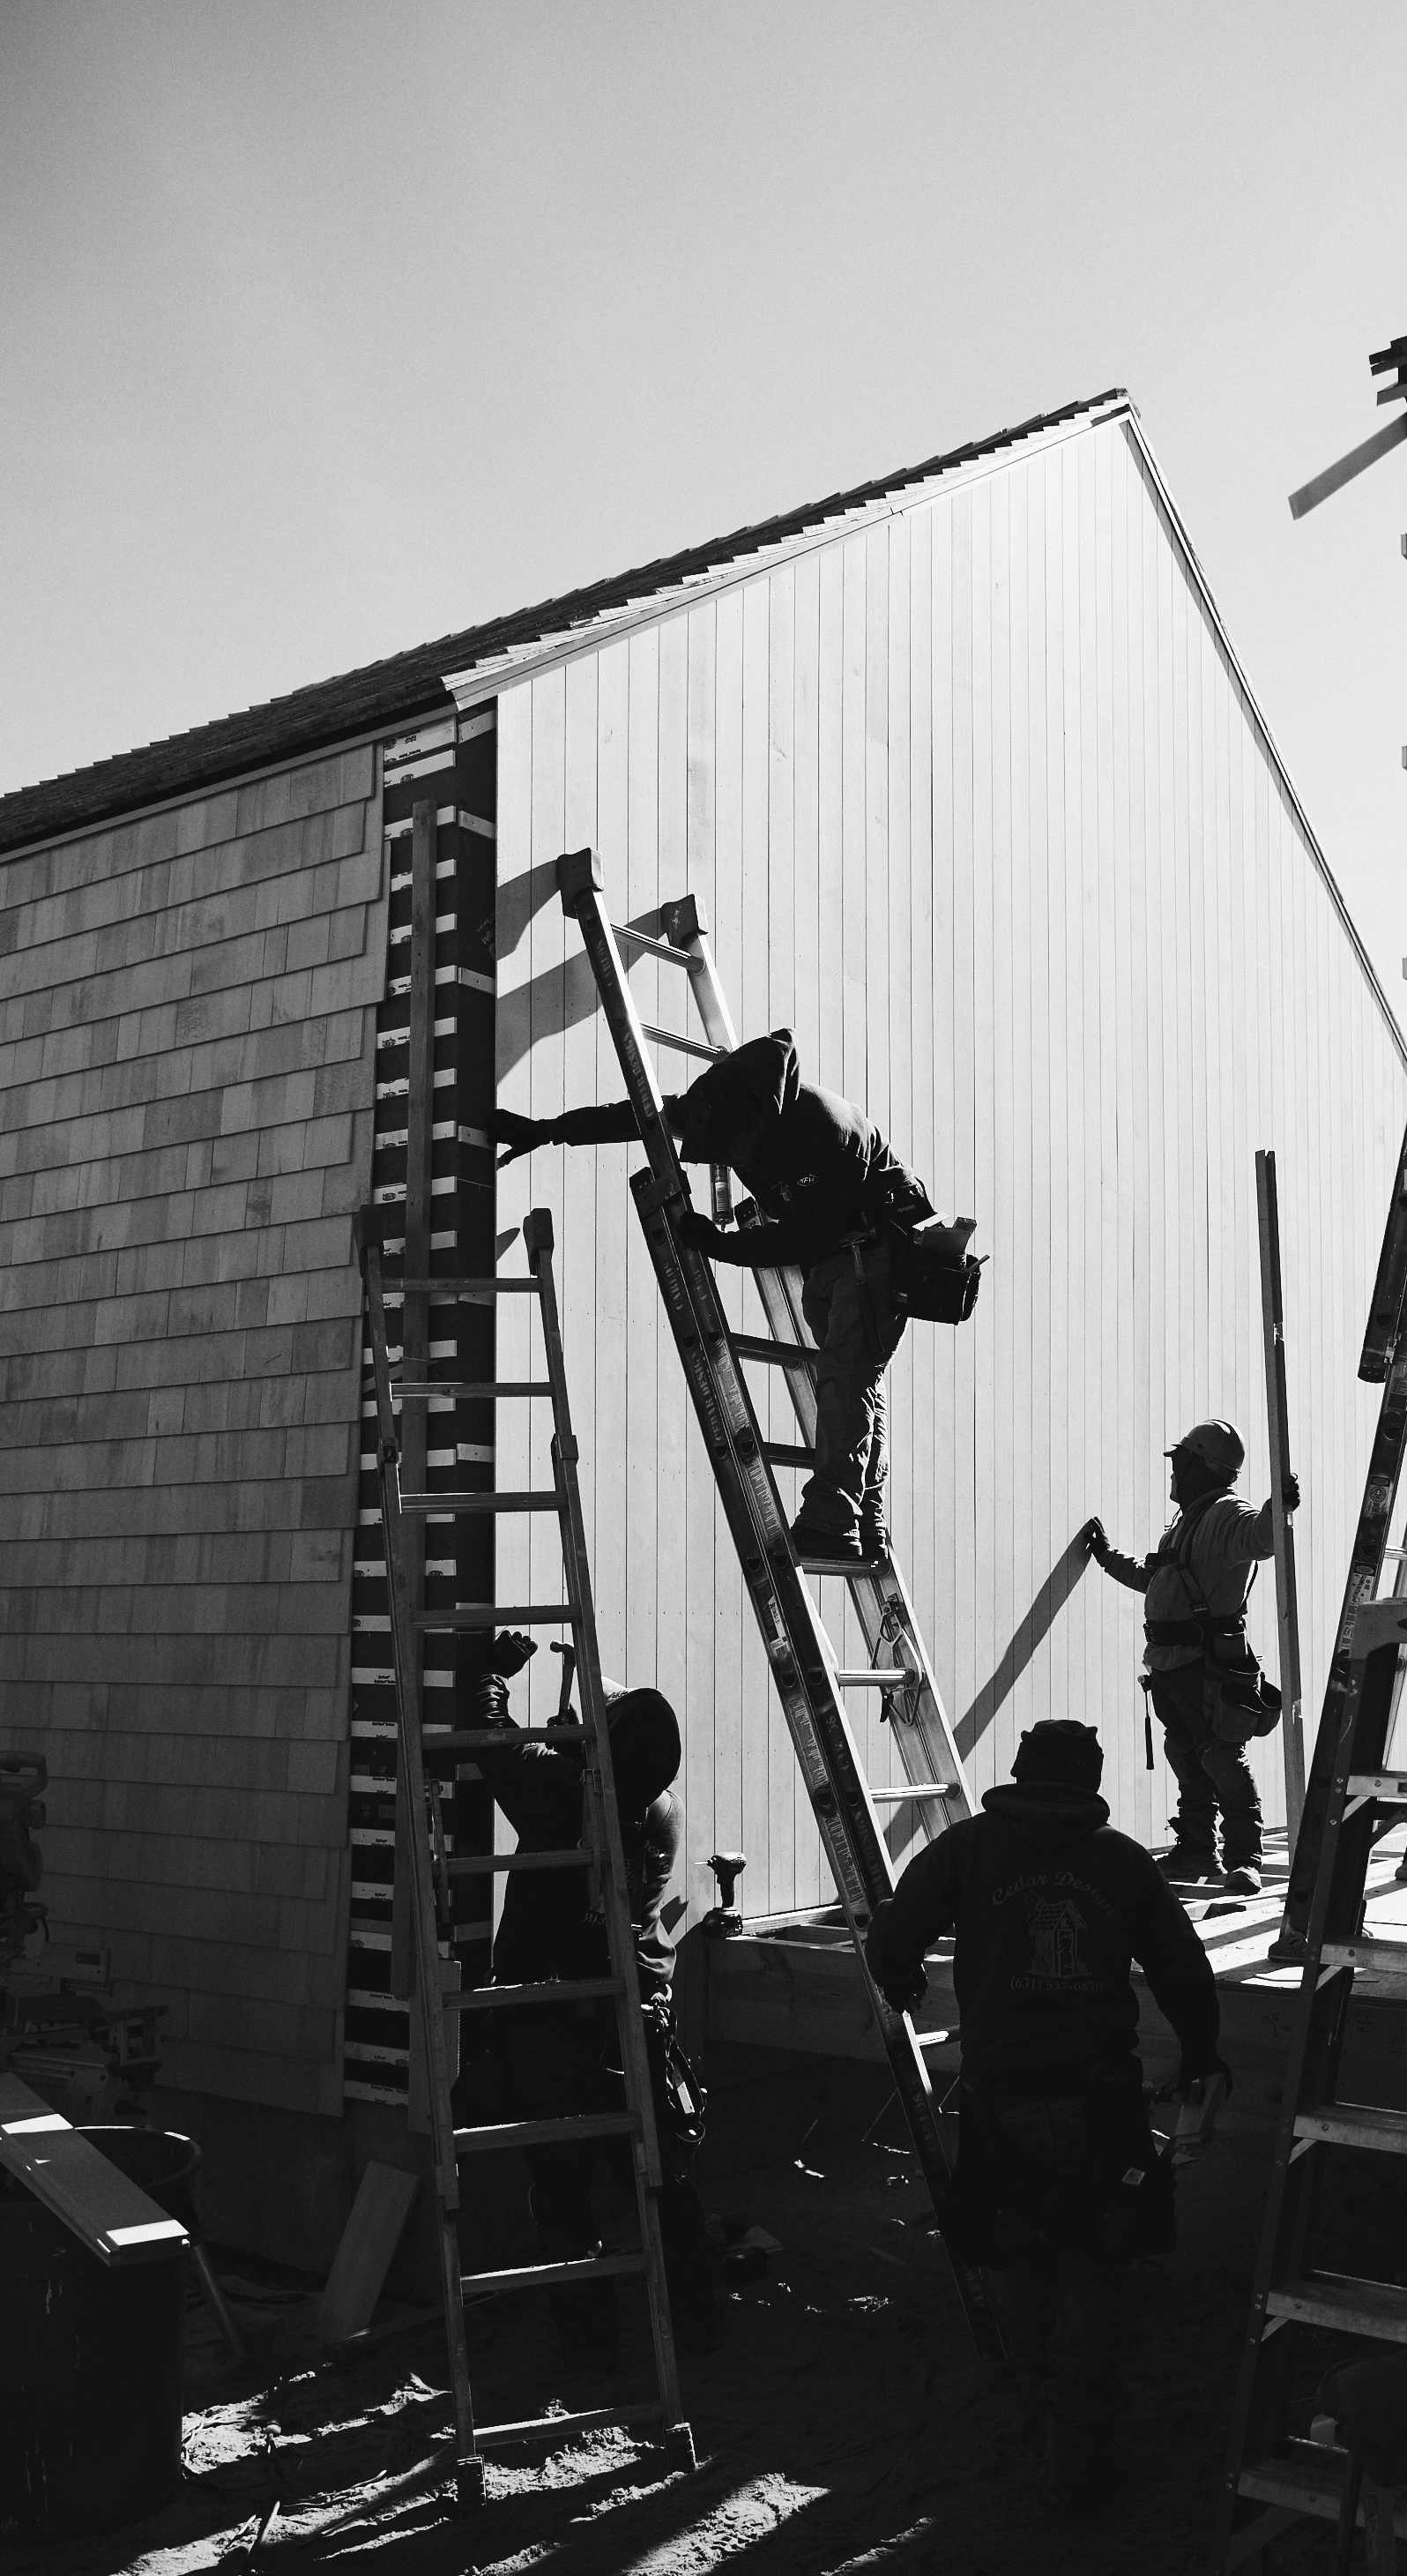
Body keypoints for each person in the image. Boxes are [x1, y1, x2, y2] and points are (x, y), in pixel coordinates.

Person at [863, 1719, 1227, 2510]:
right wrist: (1201, 2053)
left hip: (1004, 2097)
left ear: (1021, 1773)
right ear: (1090, 1782)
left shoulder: (967, 1851)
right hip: (1099, 2099)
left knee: (1016, 2251)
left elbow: (892, 1937)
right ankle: (1079, 2450)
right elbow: (1181, 1968)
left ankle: (1033, 2397)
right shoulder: (1120, 1862)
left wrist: (903, 1985)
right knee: (1095, 2261)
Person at [495, 956, 933, 1566]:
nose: (722, 1159)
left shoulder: (819, 1133)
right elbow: (643, 1120)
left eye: (729, 1151)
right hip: (837, 1256)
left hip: (873, 1253)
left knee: (845, 1384)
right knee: (852, 1386)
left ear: (756, 1124)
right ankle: (865, 1525)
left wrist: (716, 1242)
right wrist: (550, 1129)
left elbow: (795, 1241)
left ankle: (834, 1524)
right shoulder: (727, 1103)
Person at [456, 1633, 724, 2362]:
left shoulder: (559, 1794)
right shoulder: (660, 1808)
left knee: (563, 2185)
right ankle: (697, 2321)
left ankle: (590, 2342)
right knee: (661, 2183)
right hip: (634, 2023)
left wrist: (487, 1672)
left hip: (557, 2023)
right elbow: (592, 1761)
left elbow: (496, 1743)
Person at [1083, 1419, 1299, 1893]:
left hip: (1205, 1664)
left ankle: (1244, 1857)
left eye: (1181, 1462)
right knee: (1187, 1756)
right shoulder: (1187, 1523)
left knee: (1220, 1756)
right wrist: (1106, 1556)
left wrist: (1279, 1506)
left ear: (1204, 1466)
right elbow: (1154, 1578)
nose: (1174, 1472)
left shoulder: (1226, 1515)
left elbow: (1263, 1537)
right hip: (1170, 1663)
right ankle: (1197, 1850)